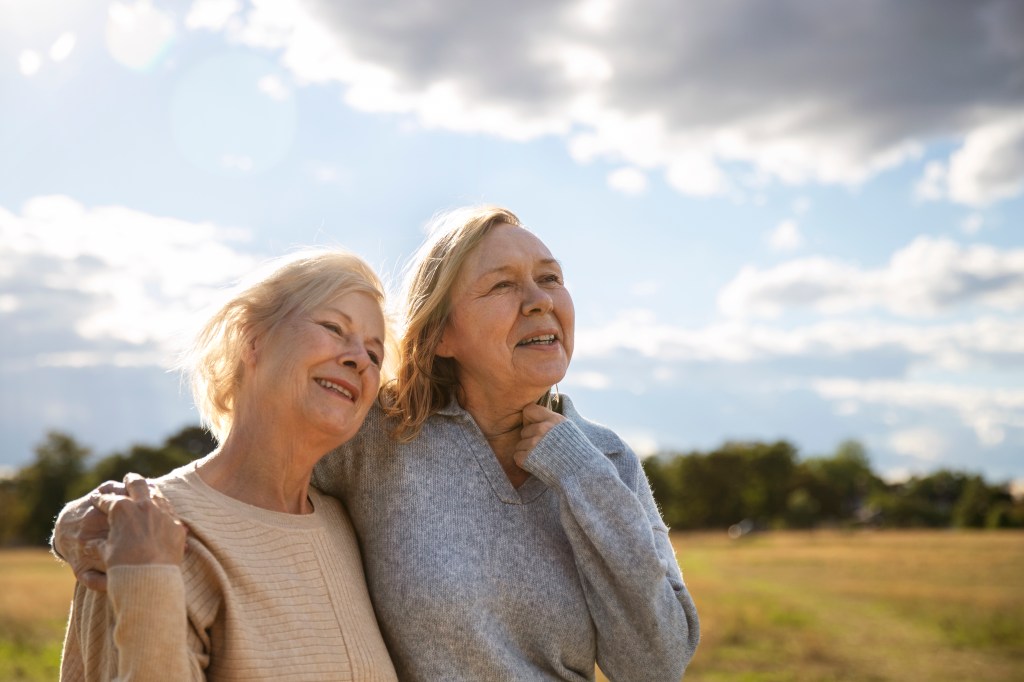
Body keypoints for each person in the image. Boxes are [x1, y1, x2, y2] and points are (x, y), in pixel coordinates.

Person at [55, 206, 700, 681]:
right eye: (503, 285)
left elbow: (654, 665)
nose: (539, 301)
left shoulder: (604, 459)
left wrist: (582, 477)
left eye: (551, 278)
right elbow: (257, 462)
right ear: (442, 335)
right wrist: (91, 517)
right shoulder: (385, 437)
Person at [57, 249, 399, 681]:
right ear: (252, 340)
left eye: (374, 354)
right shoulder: (143, 527)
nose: (360, 359)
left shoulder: (350, 527)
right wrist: (144, 575)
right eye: (334, 328)